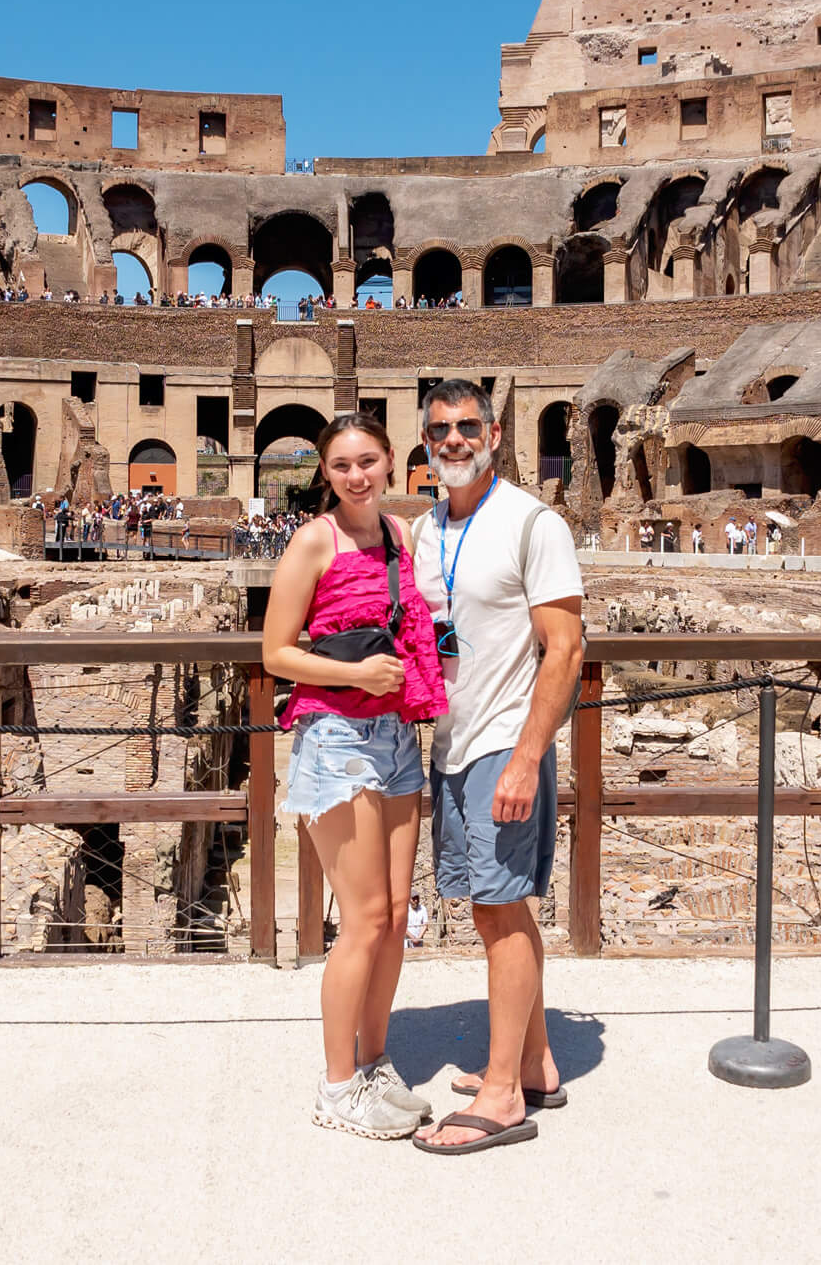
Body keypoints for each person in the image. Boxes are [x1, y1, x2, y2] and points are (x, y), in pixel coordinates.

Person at [262, 413, 447, 1141]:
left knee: (398, 916)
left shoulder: (401, 536)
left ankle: (373, 1063)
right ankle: (337, 1086)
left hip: (398, 734)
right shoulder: (314, 540)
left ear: (392, 462)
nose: (356, 475)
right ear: (326, 474)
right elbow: (276, 651)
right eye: (342, 465)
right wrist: (355, 671)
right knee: (364, 919)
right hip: (337, 739)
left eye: (367, 460)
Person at [410, 379, 584, 1155]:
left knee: (499, 911)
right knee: (495, 908)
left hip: (502, 745)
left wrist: (526, 756)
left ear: (495, 430)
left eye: (467, 425)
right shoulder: (426, 529)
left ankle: (505, 1092)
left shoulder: (532, 522)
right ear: (425, 438)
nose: (453, 439)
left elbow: (567, 648)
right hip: (453, 740)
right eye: (440, 428)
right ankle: (535, 1060)